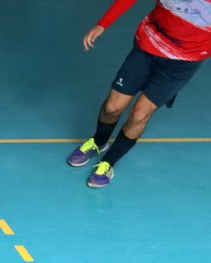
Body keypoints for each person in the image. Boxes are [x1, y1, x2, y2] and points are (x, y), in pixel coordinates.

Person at [67, 0, 209, 188]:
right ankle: (98, 142)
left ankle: (108, 163)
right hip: (148, 45)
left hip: (183, 62)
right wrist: (102, 24)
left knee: (139, 115)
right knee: (112, 107)